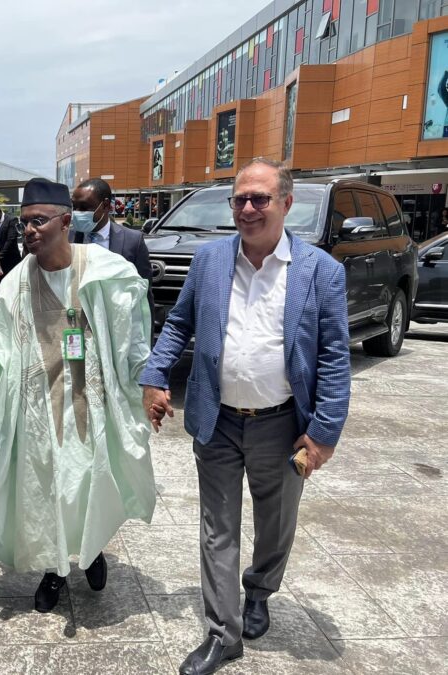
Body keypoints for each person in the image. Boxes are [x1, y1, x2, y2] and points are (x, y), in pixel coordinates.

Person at [140, 158, 351, 675]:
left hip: (283, 424)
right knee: (217, 528)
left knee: (275, 524)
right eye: (240, 199)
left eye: (260, 198)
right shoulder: (211, 260)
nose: (248, 208)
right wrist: (155, 375)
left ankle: (258, 590)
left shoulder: (321, 270)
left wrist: (324, 432)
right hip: (217, 419)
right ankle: (222, 633)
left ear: (286, 203)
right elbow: (179, 323)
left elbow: (334, 356)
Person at [0, 178, 156, 614]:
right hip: (38, 408)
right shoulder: (16, 282)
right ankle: (55, 569)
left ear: (66, 222)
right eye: (24, 223)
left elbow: (131, 333)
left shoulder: (103, 269)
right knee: (48, 486)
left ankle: (92, 550)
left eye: (38, 221)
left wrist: (146, 382)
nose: (29, 231)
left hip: (93, 401)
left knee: (89, 481)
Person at [71, 179, 154, 315]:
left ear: (105, 205)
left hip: (118, 320)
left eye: (84, 207)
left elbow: (144, 294)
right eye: (75, 207)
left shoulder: (133, 241)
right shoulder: (68, 239)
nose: (77, 213)